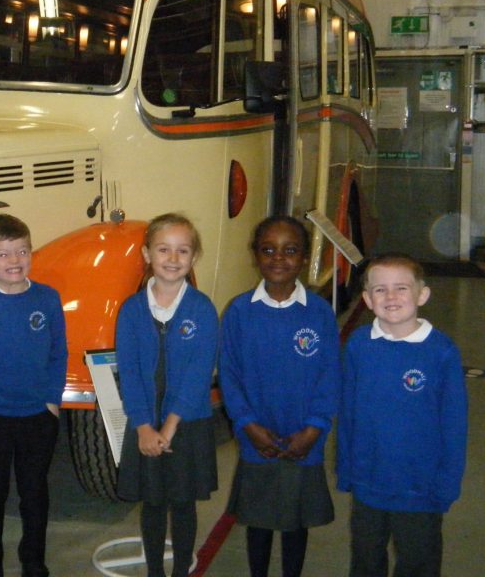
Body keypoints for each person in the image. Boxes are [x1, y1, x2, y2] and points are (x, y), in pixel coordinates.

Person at [220, 215, 341, 577]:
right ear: (256, 255)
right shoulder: (239, 312)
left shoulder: (319, 313)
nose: (278, 259)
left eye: (290, 251)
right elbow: (230, 375)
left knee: (294, 522)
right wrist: (247, 425)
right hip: (257, 436)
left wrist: (315, 428)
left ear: (304, 258)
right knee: (258, 522)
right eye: (268, 250)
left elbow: (329, 374)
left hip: (304, 436)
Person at [337, 253, 468, 577]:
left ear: (422, 294)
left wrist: (448, 483)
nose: (391, 297)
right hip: (369, 483)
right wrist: (346, 468)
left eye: (401, 288)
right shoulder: (358, 345)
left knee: (418, 562)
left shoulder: (441, 352)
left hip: (420, 487)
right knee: (366, 559)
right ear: (367, 299)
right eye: (380, 290)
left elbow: (454, 423)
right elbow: (349, 412)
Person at [0, 213, 68, 577]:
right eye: (3, 254)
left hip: (37, 416)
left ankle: (33, 558)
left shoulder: (48, 299)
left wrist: (52, 401)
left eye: (22, 251)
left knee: (34, 493)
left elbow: (58, 353)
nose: (15, 261)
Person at [115, 213, 219, 577]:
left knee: (183, 501)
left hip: (186, 423)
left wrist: (170, 425)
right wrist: (144, 426)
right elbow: (128, 373)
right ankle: (156, 571)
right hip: (146, 423)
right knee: (154, 502)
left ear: (193, 257)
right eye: (163, 249)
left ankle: (180, 572)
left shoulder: (202, 309)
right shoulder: (130, 311)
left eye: (182, 251)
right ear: (147, 254)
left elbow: (198, 373)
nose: (172, 259)